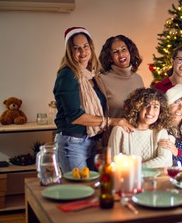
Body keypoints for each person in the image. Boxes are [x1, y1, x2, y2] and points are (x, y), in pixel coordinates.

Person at [53, 27, 134, 174]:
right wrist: (113, 121)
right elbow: (75, 117)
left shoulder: (92, 75)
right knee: (78, 190)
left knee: (92, 189)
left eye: (85, 46)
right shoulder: (67, 75)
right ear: (69, 51)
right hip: (73, 143)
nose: (83, 52)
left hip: (91, 141)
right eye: (76, 48)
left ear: (91, 47)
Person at [108, 88, 174, 168]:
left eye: (155, 107)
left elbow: (166, 161)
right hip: (127, 179)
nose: (150, 111)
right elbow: (112, 163)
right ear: (137, 107)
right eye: (146, 105)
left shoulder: (161, 132)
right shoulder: (119, 130)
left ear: (161, 111)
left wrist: (135, 169)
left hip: (153, 179)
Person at [99, 35, 144, 119]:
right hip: (113, 131)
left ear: (130, 51)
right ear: (110, 57)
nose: (121, 54)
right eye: (115, 52)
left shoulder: (138, 78)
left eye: (124, 49)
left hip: (136, 131)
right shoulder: (102, 79)